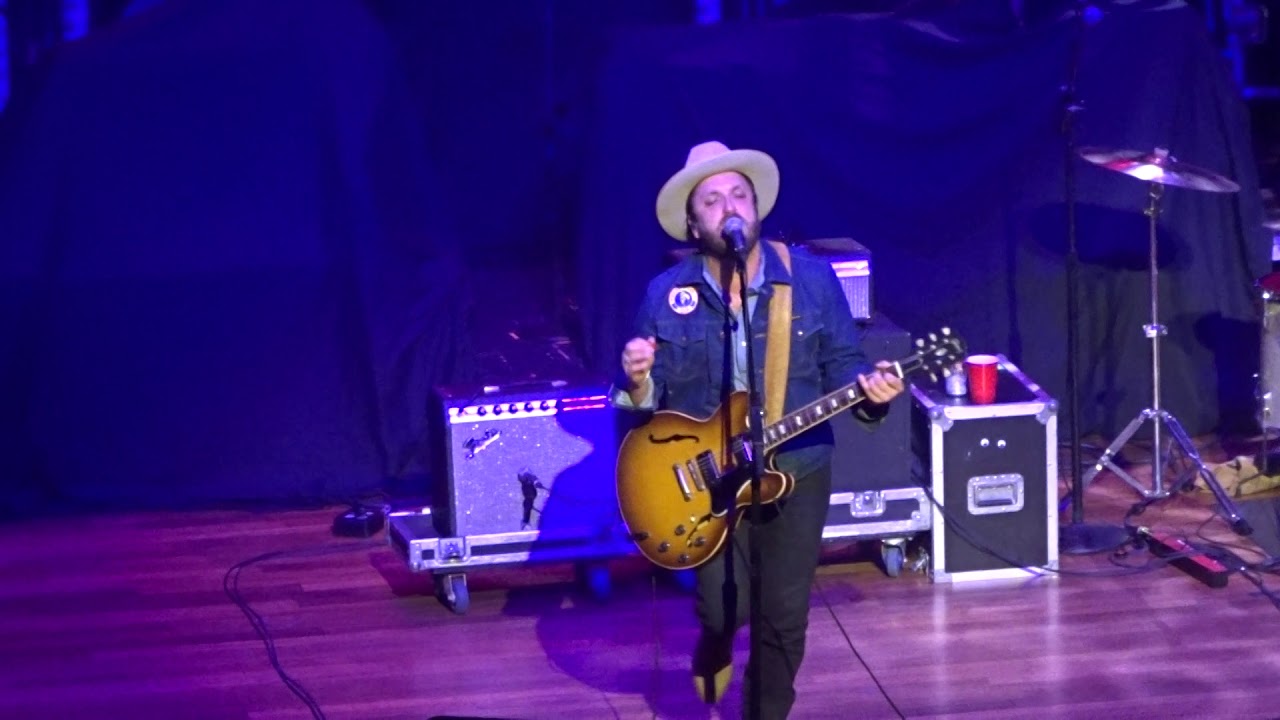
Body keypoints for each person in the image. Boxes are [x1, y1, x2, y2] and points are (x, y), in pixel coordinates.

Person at [610, 140, 905, 718]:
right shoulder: (667, 295)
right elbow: (646, 410)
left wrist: (872, 390)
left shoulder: (813, 282)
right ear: (695, 224)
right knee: (724, 610)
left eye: (739, 194)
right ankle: (715, 642)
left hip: (797, 470)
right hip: (710, 480)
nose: (730, 206)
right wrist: (640, 380)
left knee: (783, 617)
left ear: (757, 207)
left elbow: (845, 367)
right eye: (713, 200)